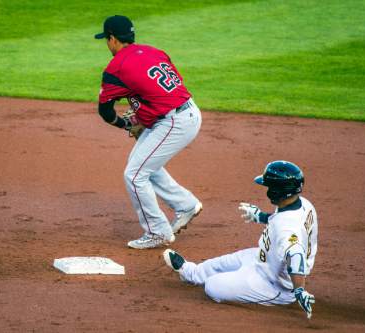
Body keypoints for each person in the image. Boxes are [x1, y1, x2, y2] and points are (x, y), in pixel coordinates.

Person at [95, 15, 203, 249]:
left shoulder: (116, 68)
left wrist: (127, 124)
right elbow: (161, 92)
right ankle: (185, 204)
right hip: (187, 110)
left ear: (112, 39)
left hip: (173, 122)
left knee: (134, 175)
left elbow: (105, 111)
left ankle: (158, 232)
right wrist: (142, 119)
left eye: (107, 39)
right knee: (141, 163)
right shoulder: (155, 52)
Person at [163, 161, 318, 318]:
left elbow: (295, 254)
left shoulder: (287, 228)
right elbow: (283, 220)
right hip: (264, 258)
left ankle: (265, 296)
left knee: (212, 286)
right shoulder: (304, 205)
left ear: (279, 191)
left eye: (270, 187)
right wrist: (261, 217)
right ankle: (191, 273)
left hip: (273, 283)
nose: (268, 190)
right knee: (221, 263)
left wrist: (299, 290)